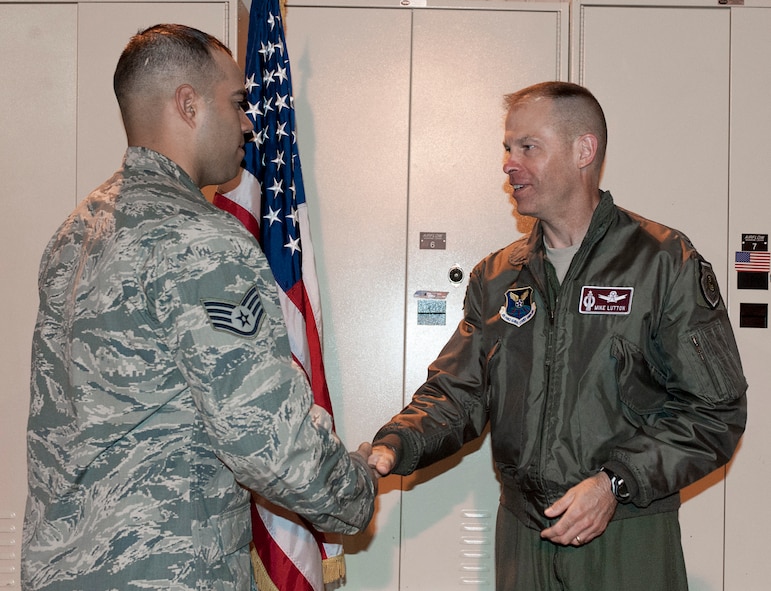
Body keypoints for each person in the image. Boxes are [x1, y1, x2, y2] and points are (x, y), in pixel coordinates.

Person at [22, 24, 377, 591]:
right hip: (166, 572)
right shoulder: (199, 240)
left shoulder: (75, 234)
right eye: (237, 102)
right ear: (188, 104)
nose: (247, 122)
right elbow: (268, 442)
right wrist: (356, 490)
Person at [369, 81, 747, 591]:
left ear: (583, 150)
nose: (509, 163)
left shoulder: (663, 264)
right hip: (525, 537)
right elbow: (457, 395)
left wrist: (615, 483)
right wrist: (394, 445)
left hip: (626, 534)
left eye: (528, 147)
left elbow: (716, 411)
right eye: (508, 148)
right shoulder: (499, 277)